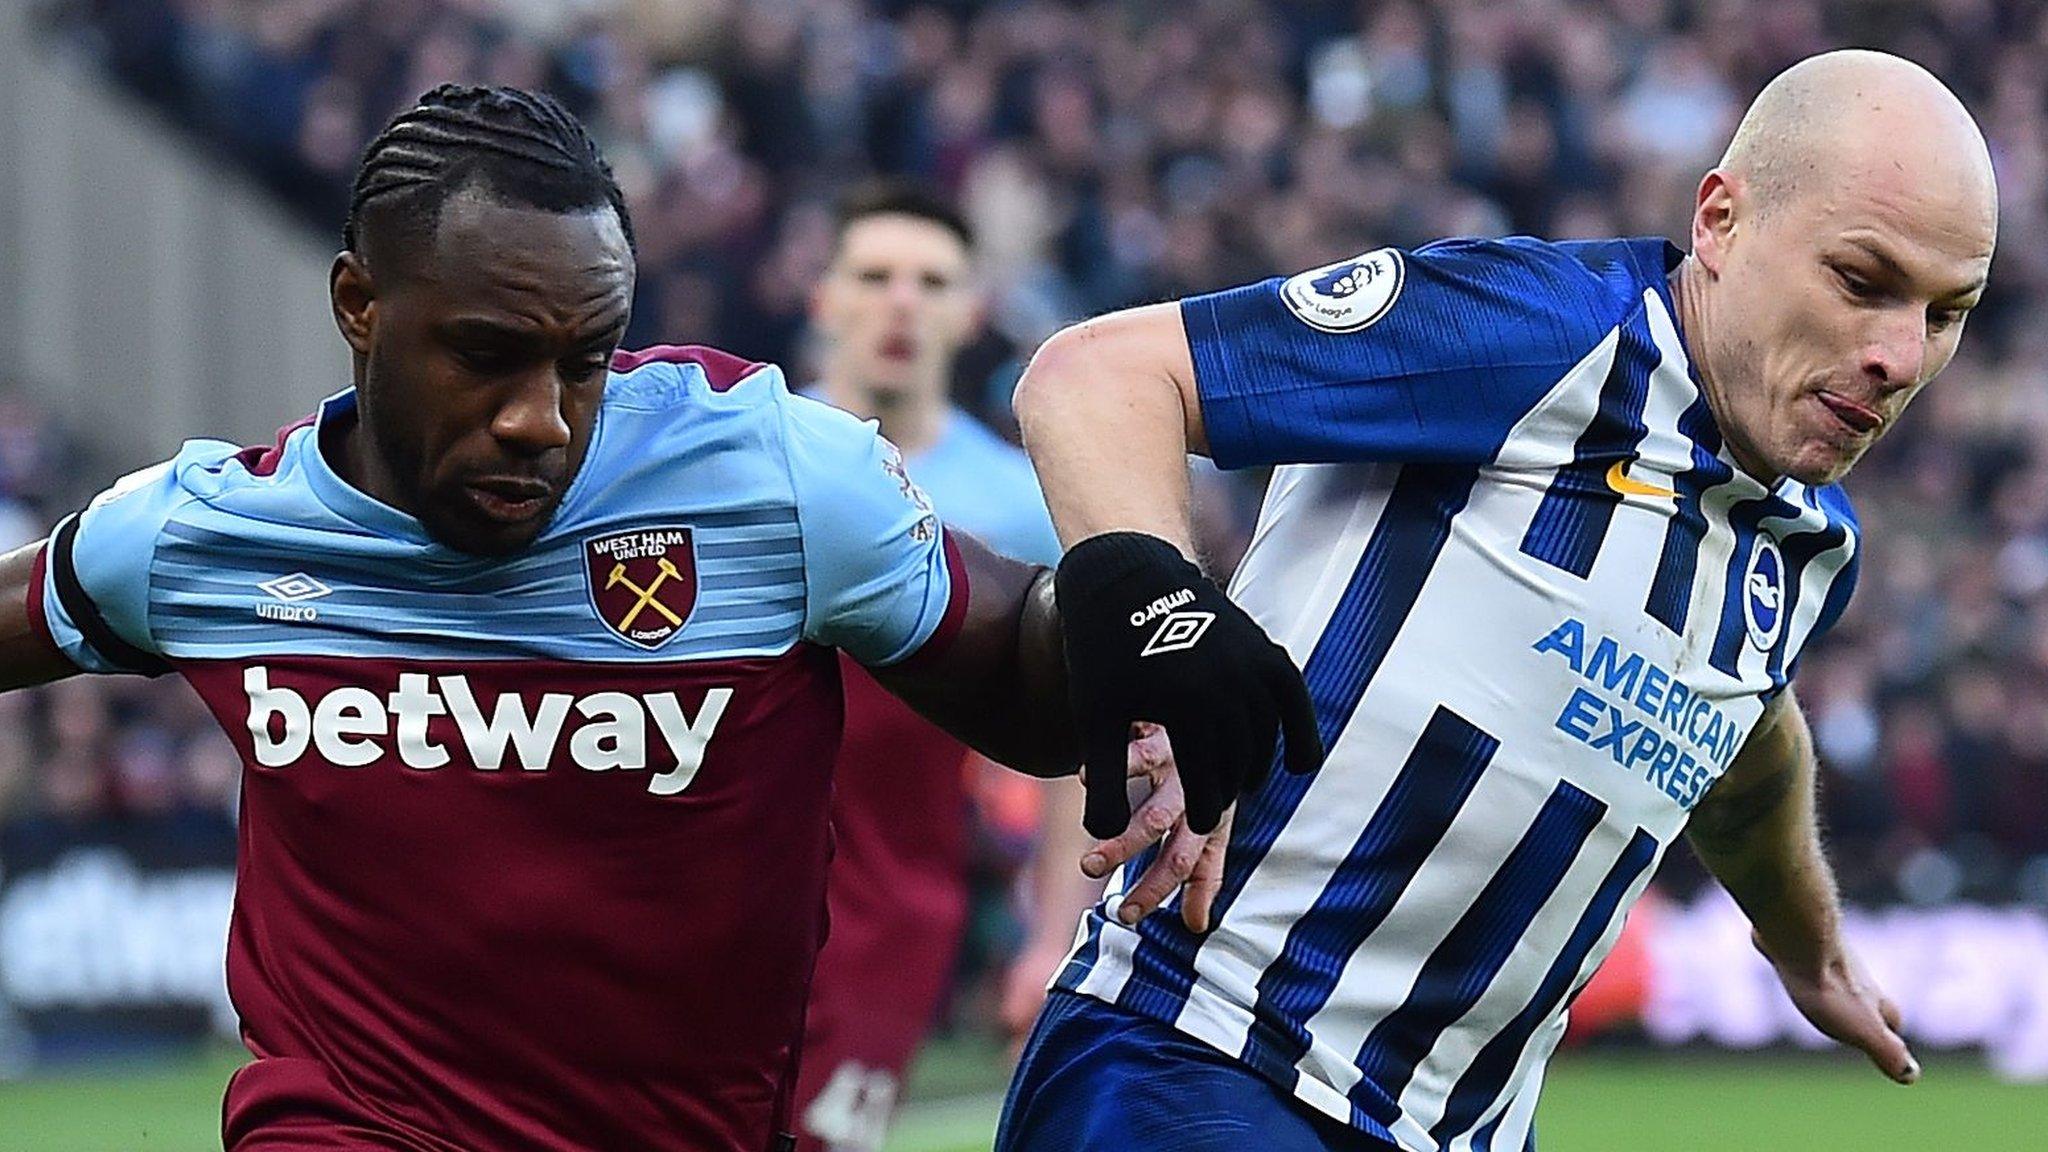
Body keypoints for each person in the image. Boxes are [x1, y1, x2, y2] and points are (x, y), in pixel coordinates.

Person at [0, 85, 1294, 1152]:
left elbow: (1019, 678)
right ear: (358, 306)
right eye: (488, 355)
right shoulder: (204, 535)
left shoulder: (766, 474)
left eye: (583, 361)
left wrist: (1126, 602)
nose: (541, 418)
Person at [1003, 49, 1995, 1152]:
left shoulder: (1807, 543)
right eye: (1861, 281)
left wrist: (1804, 948)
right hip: (1205, 1060)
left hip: (1467, 1131)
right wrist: (1165, 616)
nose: (1899, 356)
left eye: (1946, 313)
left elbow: (1743, 742)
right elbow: (1095, 378)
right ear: (1718, 221)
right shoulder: (1531, 335)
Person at [791, 183, 1096, 1152]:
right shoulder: (742, 459)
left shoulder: (1014, 508)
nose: (900, 303)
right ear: (823, 299)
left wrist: (1052, 937)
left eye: (930, 282)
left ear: (969, 312)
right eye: (874, 277)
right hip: (717, 894)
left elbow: (1069, 743)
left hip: (887, 913)